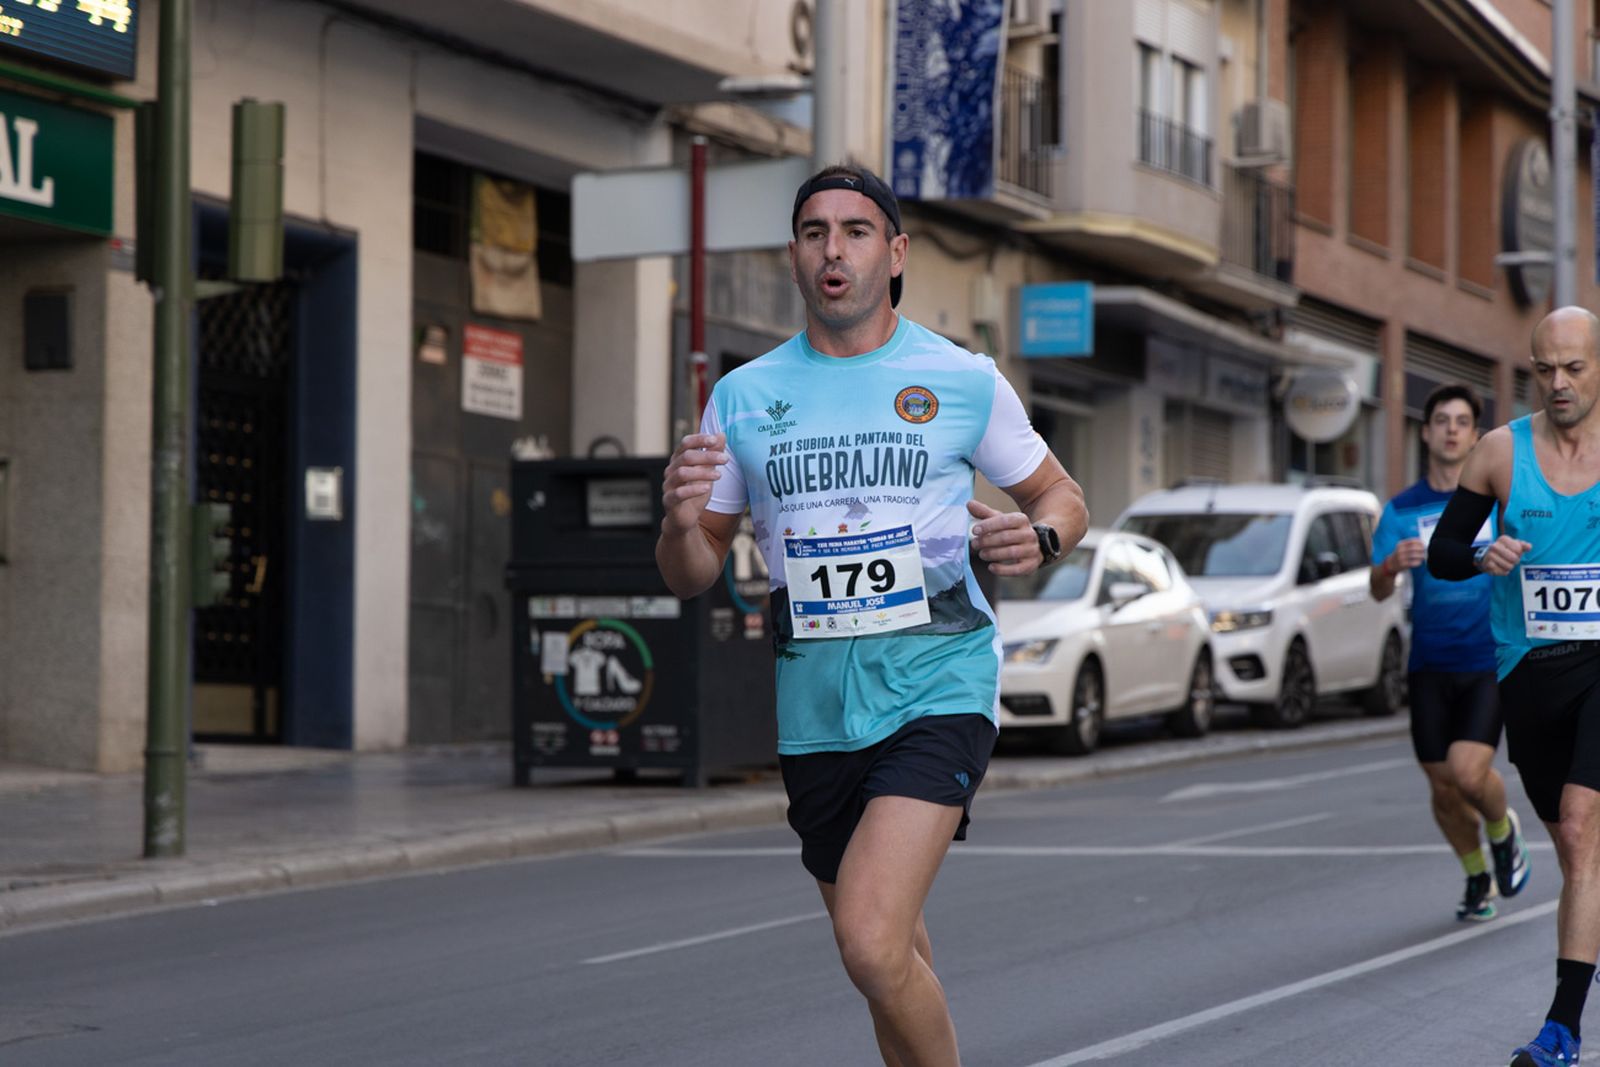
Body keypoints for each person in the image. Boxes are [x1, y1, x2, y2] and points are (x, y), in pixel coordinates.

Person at [656, 163, 1087, 1066]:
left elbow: (1061, 495)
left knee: (869, 937)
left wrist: (1041, 535)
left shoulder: (960, 378)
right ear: (794, 256)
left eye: (855, 232)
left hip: (939, 681)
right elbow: (691, 573)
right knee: (891, 959)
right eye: (815, 233)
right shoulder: (743, 396)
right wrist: (679, 522)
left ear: (894, 254)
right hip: (814, 708)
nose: (834, 250)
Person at [1429, 306, 1600, 1067]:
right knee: (1572, 845)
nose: (1558, 382)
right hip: (1528, 672)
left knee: (1582, 826)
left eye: (1574, 368)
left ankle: (1561, 1029)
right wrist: (1481, 554)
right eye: (1545, 369)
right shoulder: (1500, 452)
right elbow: (1444, 552)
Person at [1371, 384, 1531, 923]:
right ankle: (1476, 876)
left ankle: (1502, 830)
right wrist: (1389, 566)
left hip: (1488, 655)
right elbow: (1376, 590)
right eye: (1442, 420)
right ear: (1425, 431)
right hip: (1429, 663)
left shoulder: (1494, 502)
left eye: (1462, 422)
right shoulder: (1400, 510)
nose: (1452, 430)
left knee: (1467, 772)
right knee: (1442, 788)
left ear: (1476, 435)